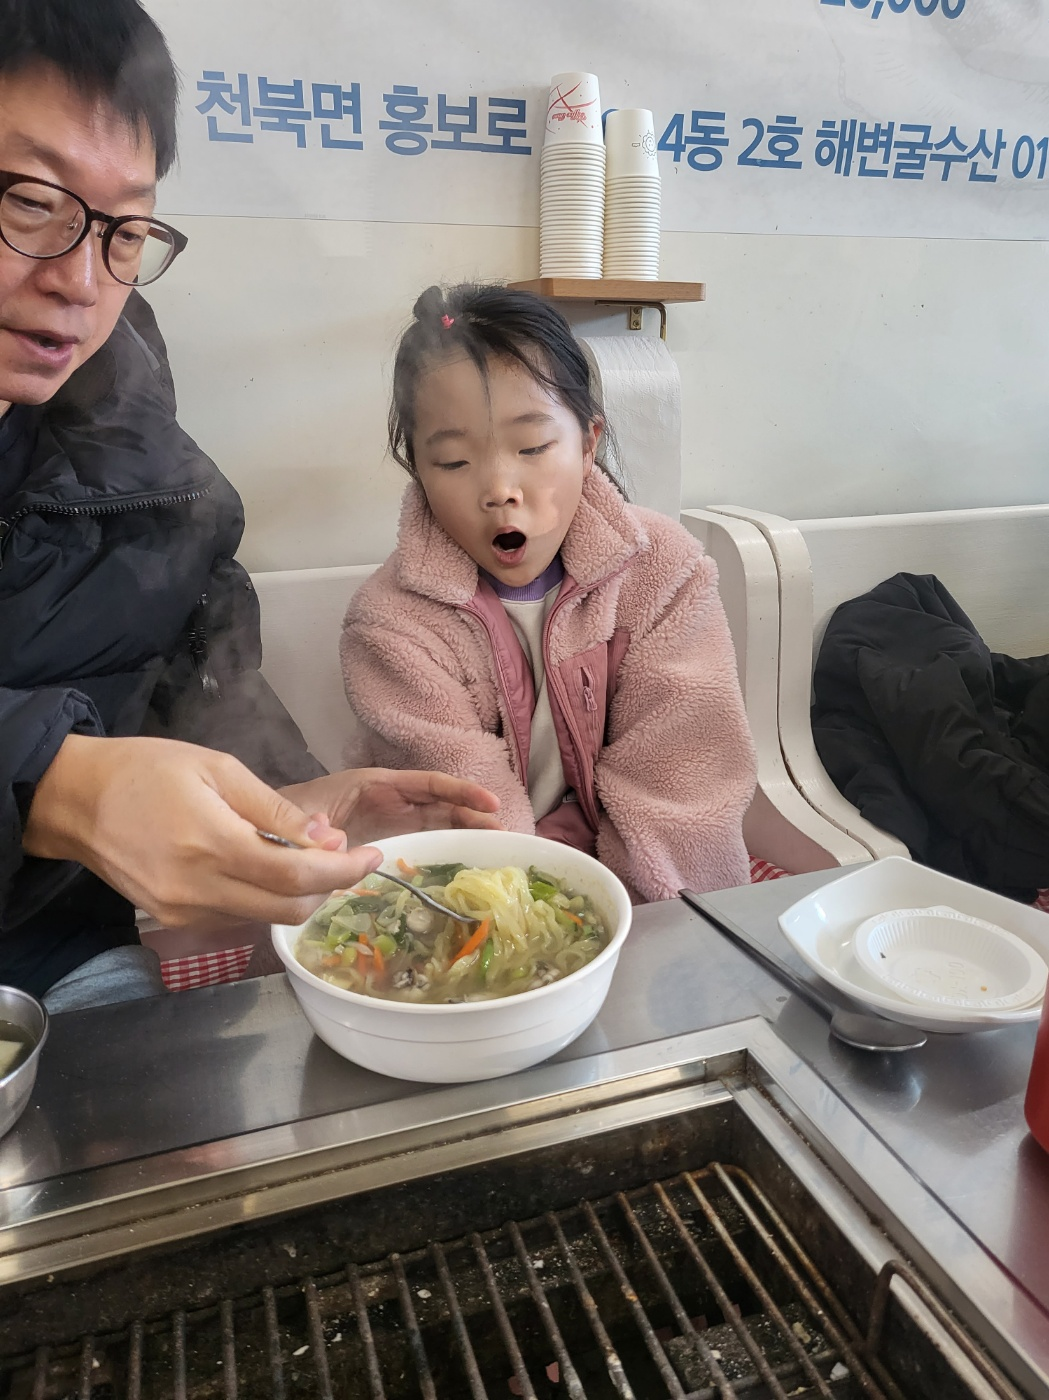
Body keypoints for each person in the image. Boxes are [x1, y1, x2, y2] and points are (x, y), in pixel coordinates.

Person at [0, 1, 500, 1008]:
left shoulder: (139, 462)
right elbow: (74, 773)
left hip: (58, 959)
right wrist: (49, 780)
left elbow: (197, 688)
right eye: (31, 202)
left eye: (126, 230)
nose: (80, 280)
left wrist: (294, 808)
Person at [341, 284, 757, 902]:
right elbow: (464, 824)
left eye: (533, 447)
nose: (499, 489)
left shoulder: (663, 572)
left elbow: (682, 790)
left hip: (638, 893)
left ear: (588, 442)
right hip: (477, 897)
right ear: (418, 472)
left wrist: (636, 926)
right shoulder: (391, 624)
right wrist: (533, 933)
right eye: (453, 462)